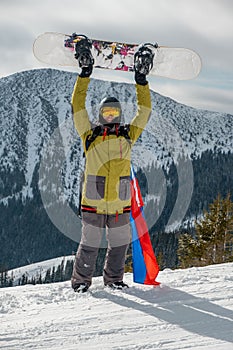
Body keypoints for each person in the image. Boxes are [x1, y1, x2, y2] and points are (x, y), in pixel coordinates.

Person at [71, 37, 154, 293]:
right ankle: (81, 283)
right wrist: (85, 74)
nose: (109, 117)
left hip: (120, 202)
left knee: (119, 246)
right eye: (105, 113)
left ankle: (114, 280)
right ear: (100, 116)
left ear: (118, 115)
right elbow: (77, 105)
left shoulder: (128, 135)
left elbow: (145, 111)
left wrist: (141, 81)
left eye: (113, 113)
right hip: (93, 202)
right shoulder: (90, 135)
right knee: (89, 245)